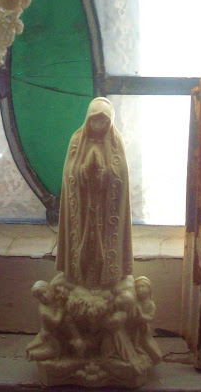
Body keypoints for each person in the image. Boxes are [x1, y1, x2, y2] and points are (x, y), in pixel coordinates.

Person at [56, 97, 133, 290]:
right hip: (83, 207)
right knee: (81, 244)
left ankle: (107, 277)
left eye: (103, 121)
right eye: (95, 120)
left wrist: (107, 174)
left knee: (105, 246)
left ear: (110, 121)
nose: (99, 125)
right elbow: (69, 172)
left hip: (106, 210)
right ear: (88, 119)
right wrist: (82, 171)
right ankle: (78, 275)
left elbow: (121, 174)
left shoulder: (115, 142)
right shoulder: (77, 140)